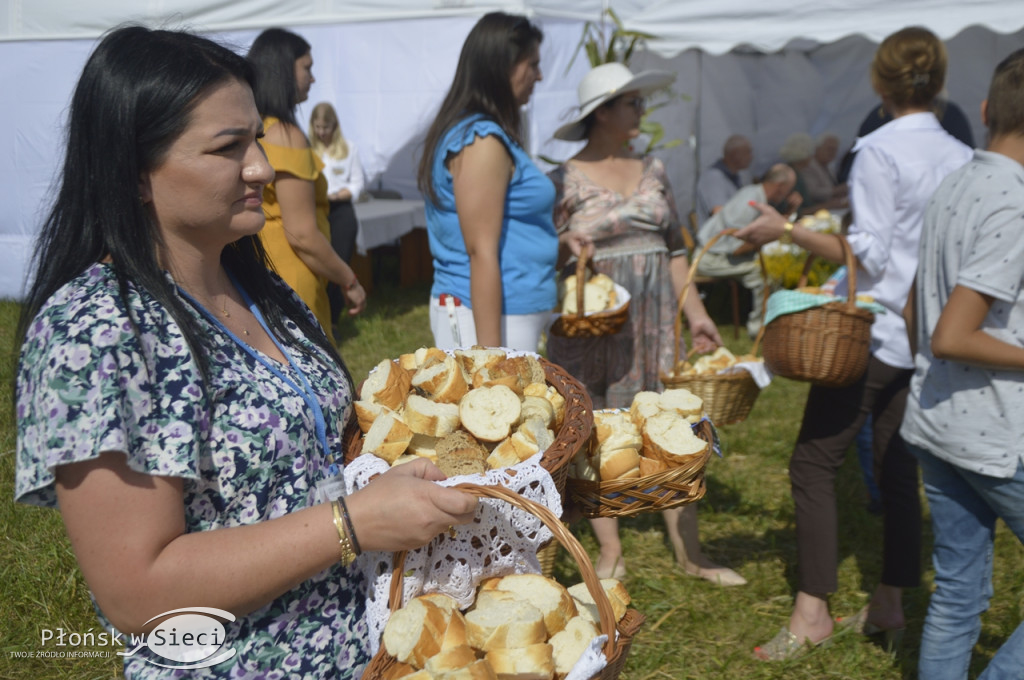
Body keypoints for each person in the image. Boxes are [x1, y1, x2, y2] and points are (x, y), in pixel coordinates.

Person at [13, 26, 477, 679]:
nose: (260, 165)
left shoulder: (257, 285)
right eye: (229, 147)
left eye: (255, 136)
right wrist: (350, 524)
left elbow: (301, 466)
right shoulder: (94, 334)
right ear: (134, 174)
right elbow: (138, 593)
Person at [735, 26, 973, 660]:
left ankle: (812, 611)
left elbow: (864, 249)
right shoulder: (958, 154)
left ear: (878, 83)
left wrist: (784, 229)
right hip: (925, 335)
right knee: (898, 468)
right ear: (939, 79)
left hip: (870, 331)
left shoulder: (878, 150)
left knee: (813, 465)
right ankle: (891, 599)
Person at [546, 62, 737, 585]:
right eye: (632, 103)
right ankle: (610, 549)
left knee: (671, 419)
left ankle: (691, 552)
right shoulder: (560, 179)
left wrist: (697, 316)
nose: (641, 111)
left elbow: (676, 250)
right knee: (595, 421)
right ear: (602, 112)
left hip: (654, 320)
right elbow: (546, 252)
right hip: (595, 321)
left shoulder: (654, 168)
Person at [901, 47, 1024, 680]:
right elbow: (952, 333)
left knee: (957, 592)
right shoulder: (1015, 201)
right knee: (957, 591)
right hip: (995, 432)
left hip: (938, 418)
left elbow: (913, 313)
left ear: (985, 111)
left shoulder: (957, 182)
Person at [417, 12, 587, 352]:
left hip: (512, 312)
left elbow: (506, 230)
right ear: (501, 65)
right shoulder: (480, 140)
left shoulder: (490, 135)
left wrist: (557, 245)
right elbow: (480, 250)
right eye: (532, 64)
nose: (539, 76)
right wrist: (491, 359)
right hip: (488, 318)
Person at [247, 29, 366, 343]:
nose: (312, 78)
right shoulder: (284, 134)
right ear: (284, 70)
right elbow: (301, 234)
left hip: (262, 268)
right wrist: (349, 279)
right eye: (307, 68)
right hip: (291, 275)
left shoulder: (256, 127)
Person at [695, 163, 797, 337]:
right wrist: (772, 236)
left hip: (718, 254)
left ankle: (770, 319)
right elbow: (735, 248)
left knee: (772, 267)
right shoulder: (750, 202)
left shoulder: (755, 193)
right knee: (763, 273)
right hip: (710, 258)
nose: (789, 194)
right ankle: (757, 328)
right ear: (780, 187)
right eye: (789, 190)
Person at [309, 101, 366, 321]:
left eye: (326, 128)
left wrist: (339, 194)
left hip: (341, 210)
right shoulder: (308, 149)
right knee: (319, 264)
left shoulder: (349, 148)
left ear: (335, 126)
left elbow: (357, 184)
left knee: (338, 264)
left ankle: (333, 320)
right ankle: (317, 317)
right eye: (318, 127)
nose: (322, 133)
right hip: (317, 210)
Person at [694, 134, 753, 227]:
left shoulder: (733, 176)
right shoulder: (713, 177)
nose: (751, 157)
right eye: (748, 152)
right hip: (717, 238)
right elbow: (719, 213)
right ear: (734, 154)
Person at [800, 133, 848, 210]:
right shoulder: (808, 166)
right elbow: (813, 192)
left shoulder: (829, 167)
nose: (832, 153)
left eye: (835, 150)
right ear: (817, 148)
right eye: (829, 149)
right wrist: (837, 190)